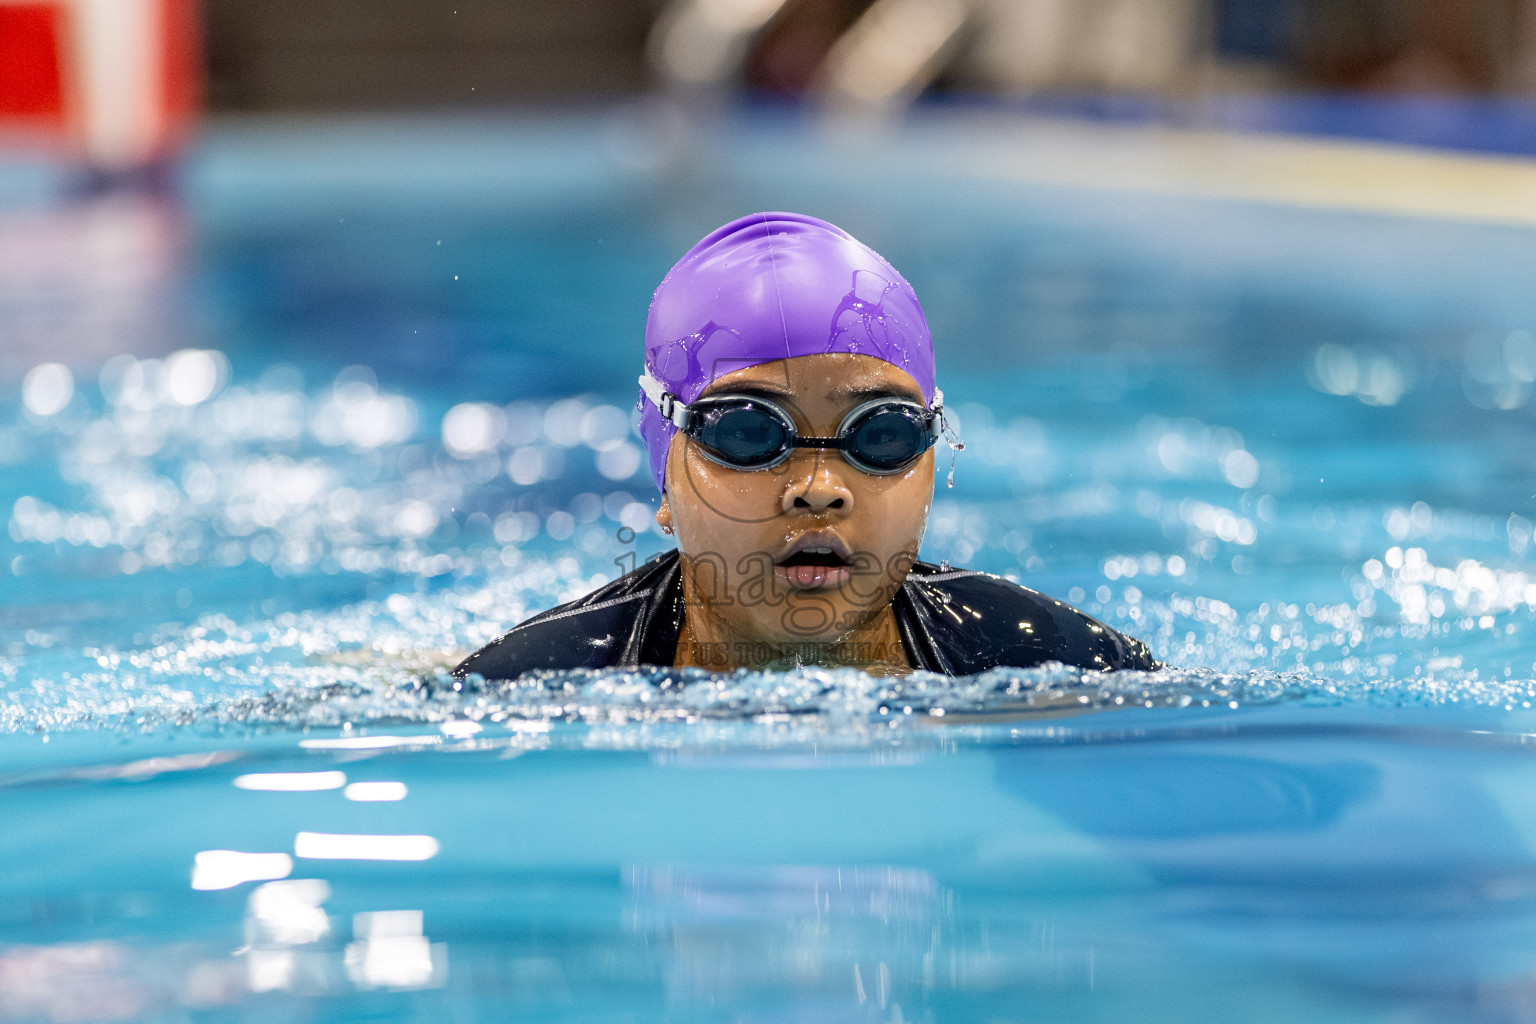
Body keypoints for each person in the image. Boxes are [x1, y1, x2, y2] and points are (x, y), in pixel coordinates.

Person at [454, 212, 1156, 680]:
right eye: (750, 431)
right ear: (665, 474)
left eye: (880, 434)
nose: (821, 485)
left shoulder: (1050, 664)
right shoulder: (539, 686)